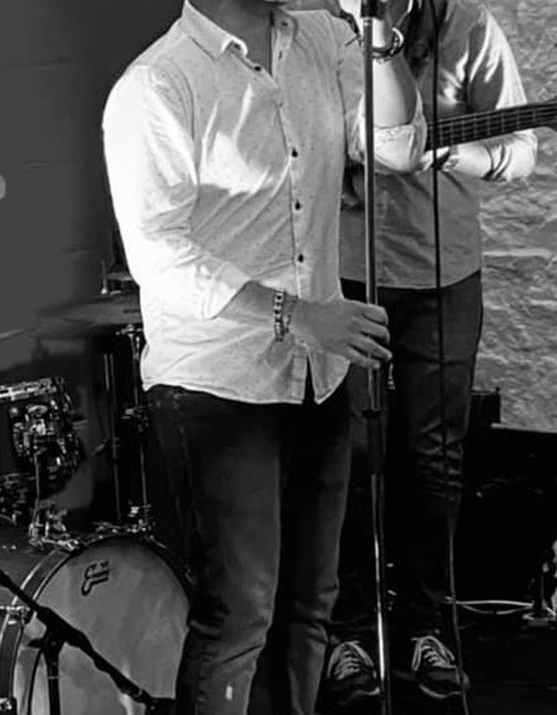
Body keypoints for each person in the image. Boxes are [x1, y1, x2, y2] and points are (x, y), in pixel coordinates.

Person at [102, 0, 427, 711]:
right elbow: (159, 256)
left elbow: (399, 149)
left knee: (311, 603)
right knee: (240, 614)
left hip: (317, 372)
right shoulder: (158, 84)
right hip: (218, 383)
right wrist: (296, 314)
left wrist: (379, 37)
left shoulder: (320, 39)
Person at [323, 0, 537, 706]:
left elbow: (524, 150)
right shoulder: (317, 27)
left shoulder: (466, 26)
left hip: (442, 279)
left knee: (433, 455)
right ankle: (348, 631)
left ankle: (428, 625)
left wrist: (452, 151)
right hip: (341, 274)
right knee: (349, 454)